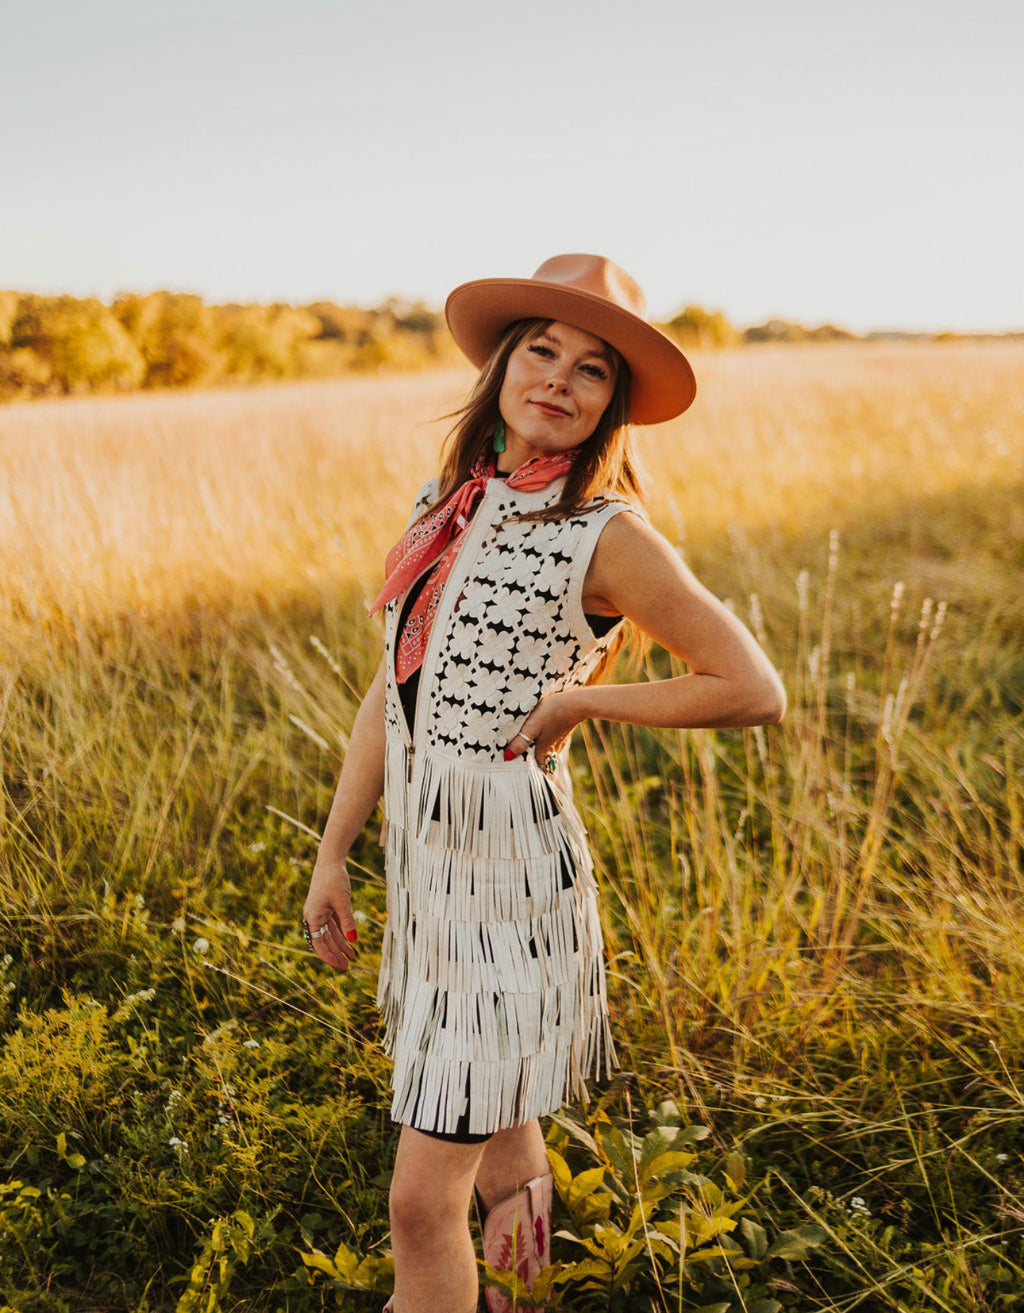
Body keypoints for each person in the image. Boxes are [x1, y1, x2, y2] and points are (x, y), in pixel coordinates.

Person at [302, 253, 785, 1313]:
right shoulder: (445, 503)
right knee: (510, 1133)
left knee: (418, 1206)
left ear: (613, 404)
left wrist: (580, 703)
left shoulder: (604, 535)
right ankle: (522, 1300)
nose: (559, 380)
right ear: (503, 365)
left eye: (594, 369)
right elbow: (390, 697)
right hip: (430, 871)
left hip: (511, 877)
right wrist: (335, 851)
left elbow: (752, 685)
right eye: (542, 349)